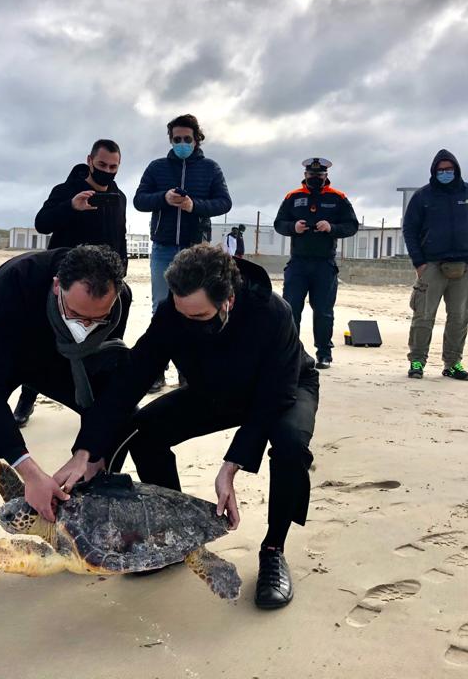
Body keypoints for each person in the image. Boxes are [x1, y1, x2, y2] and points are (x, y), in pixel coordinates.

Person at [86, 244, 318, 610]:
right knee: (144, 432)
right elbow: (131, 378)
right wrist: (90, 449)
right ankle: (174, 538)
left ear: (228, 300)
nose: (188, 322)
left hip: (284, 388)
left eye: (199, 316)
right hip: (216, 391)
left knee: (290, 446)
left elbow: (274, 399)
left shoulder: (272, 312)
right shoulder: (173, 313)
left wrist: (231, 467)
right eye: (182, 313)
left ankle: (273, 549)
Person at [0, 245, 128, 612]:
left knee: (116, 417)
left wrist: (88, 452)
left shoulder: (117, 301)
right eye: (78, 314)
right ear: (56, 286)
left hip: (48, 354)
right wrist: (31, 473)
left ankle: (85, 533)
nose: (87, 325)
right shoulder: (16, 283)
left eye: (97, 318)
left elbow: (108, 380)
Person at [11, 140, 132, 426]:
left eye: (113, 167)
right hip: (64, 279)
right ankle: (27, 398)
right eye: (102, 165)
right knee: (45, 338)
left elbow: (120, 237)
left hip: (104, 282)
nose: (107, 171)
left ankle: (104, 394)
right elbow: (42, 223)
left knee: (115, 321)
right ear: (90, 160)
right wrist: (71, 207)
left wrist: (121, 273)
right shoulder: (65, 190)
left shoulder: (119, 198)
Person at [134, 113, 232, 391]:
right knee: (161, 308)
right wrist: (163, 198)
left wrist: (194, 206)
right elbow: (139, 200)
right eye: (176, 139)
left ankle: (189, 370)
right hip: (163, 248)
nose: (181, 143)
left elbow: (224, 202)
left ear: (196, 139)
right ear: (170, 140)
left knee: (196, 310)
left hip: (196, 250)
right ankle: (157, 370)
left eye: (186, 139)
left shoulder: (211, 168)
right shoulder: (157, 167)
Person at [402, 149, 468, 381]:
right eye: (440, 170)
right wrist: (419, 263)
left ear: (456, 169)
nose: (445, 173)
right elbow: (409, 229)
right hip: (431, 265)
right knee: (423, 316)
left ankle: (452, 363)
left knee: (460, 317)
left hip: (465, 265)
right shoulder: (423, 196)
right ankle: (417, 361)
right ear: (434, 172)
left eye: (449, 169)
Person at [273, 157, 359, 370]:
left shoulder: (338, 198)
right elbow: (279, 223)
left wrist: (331, 228)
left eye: (319, 175)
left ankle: (324, 354)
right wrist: (293, 227)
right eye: (312, 175)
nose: (315, 178)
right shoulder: (293, 197)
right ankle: (291, 352)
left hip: (324, 264)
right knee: (291, 308)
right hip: (298, 263)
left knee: (323, 311)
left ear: (326, 176)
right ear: (305, 175)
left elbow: (352, 226)